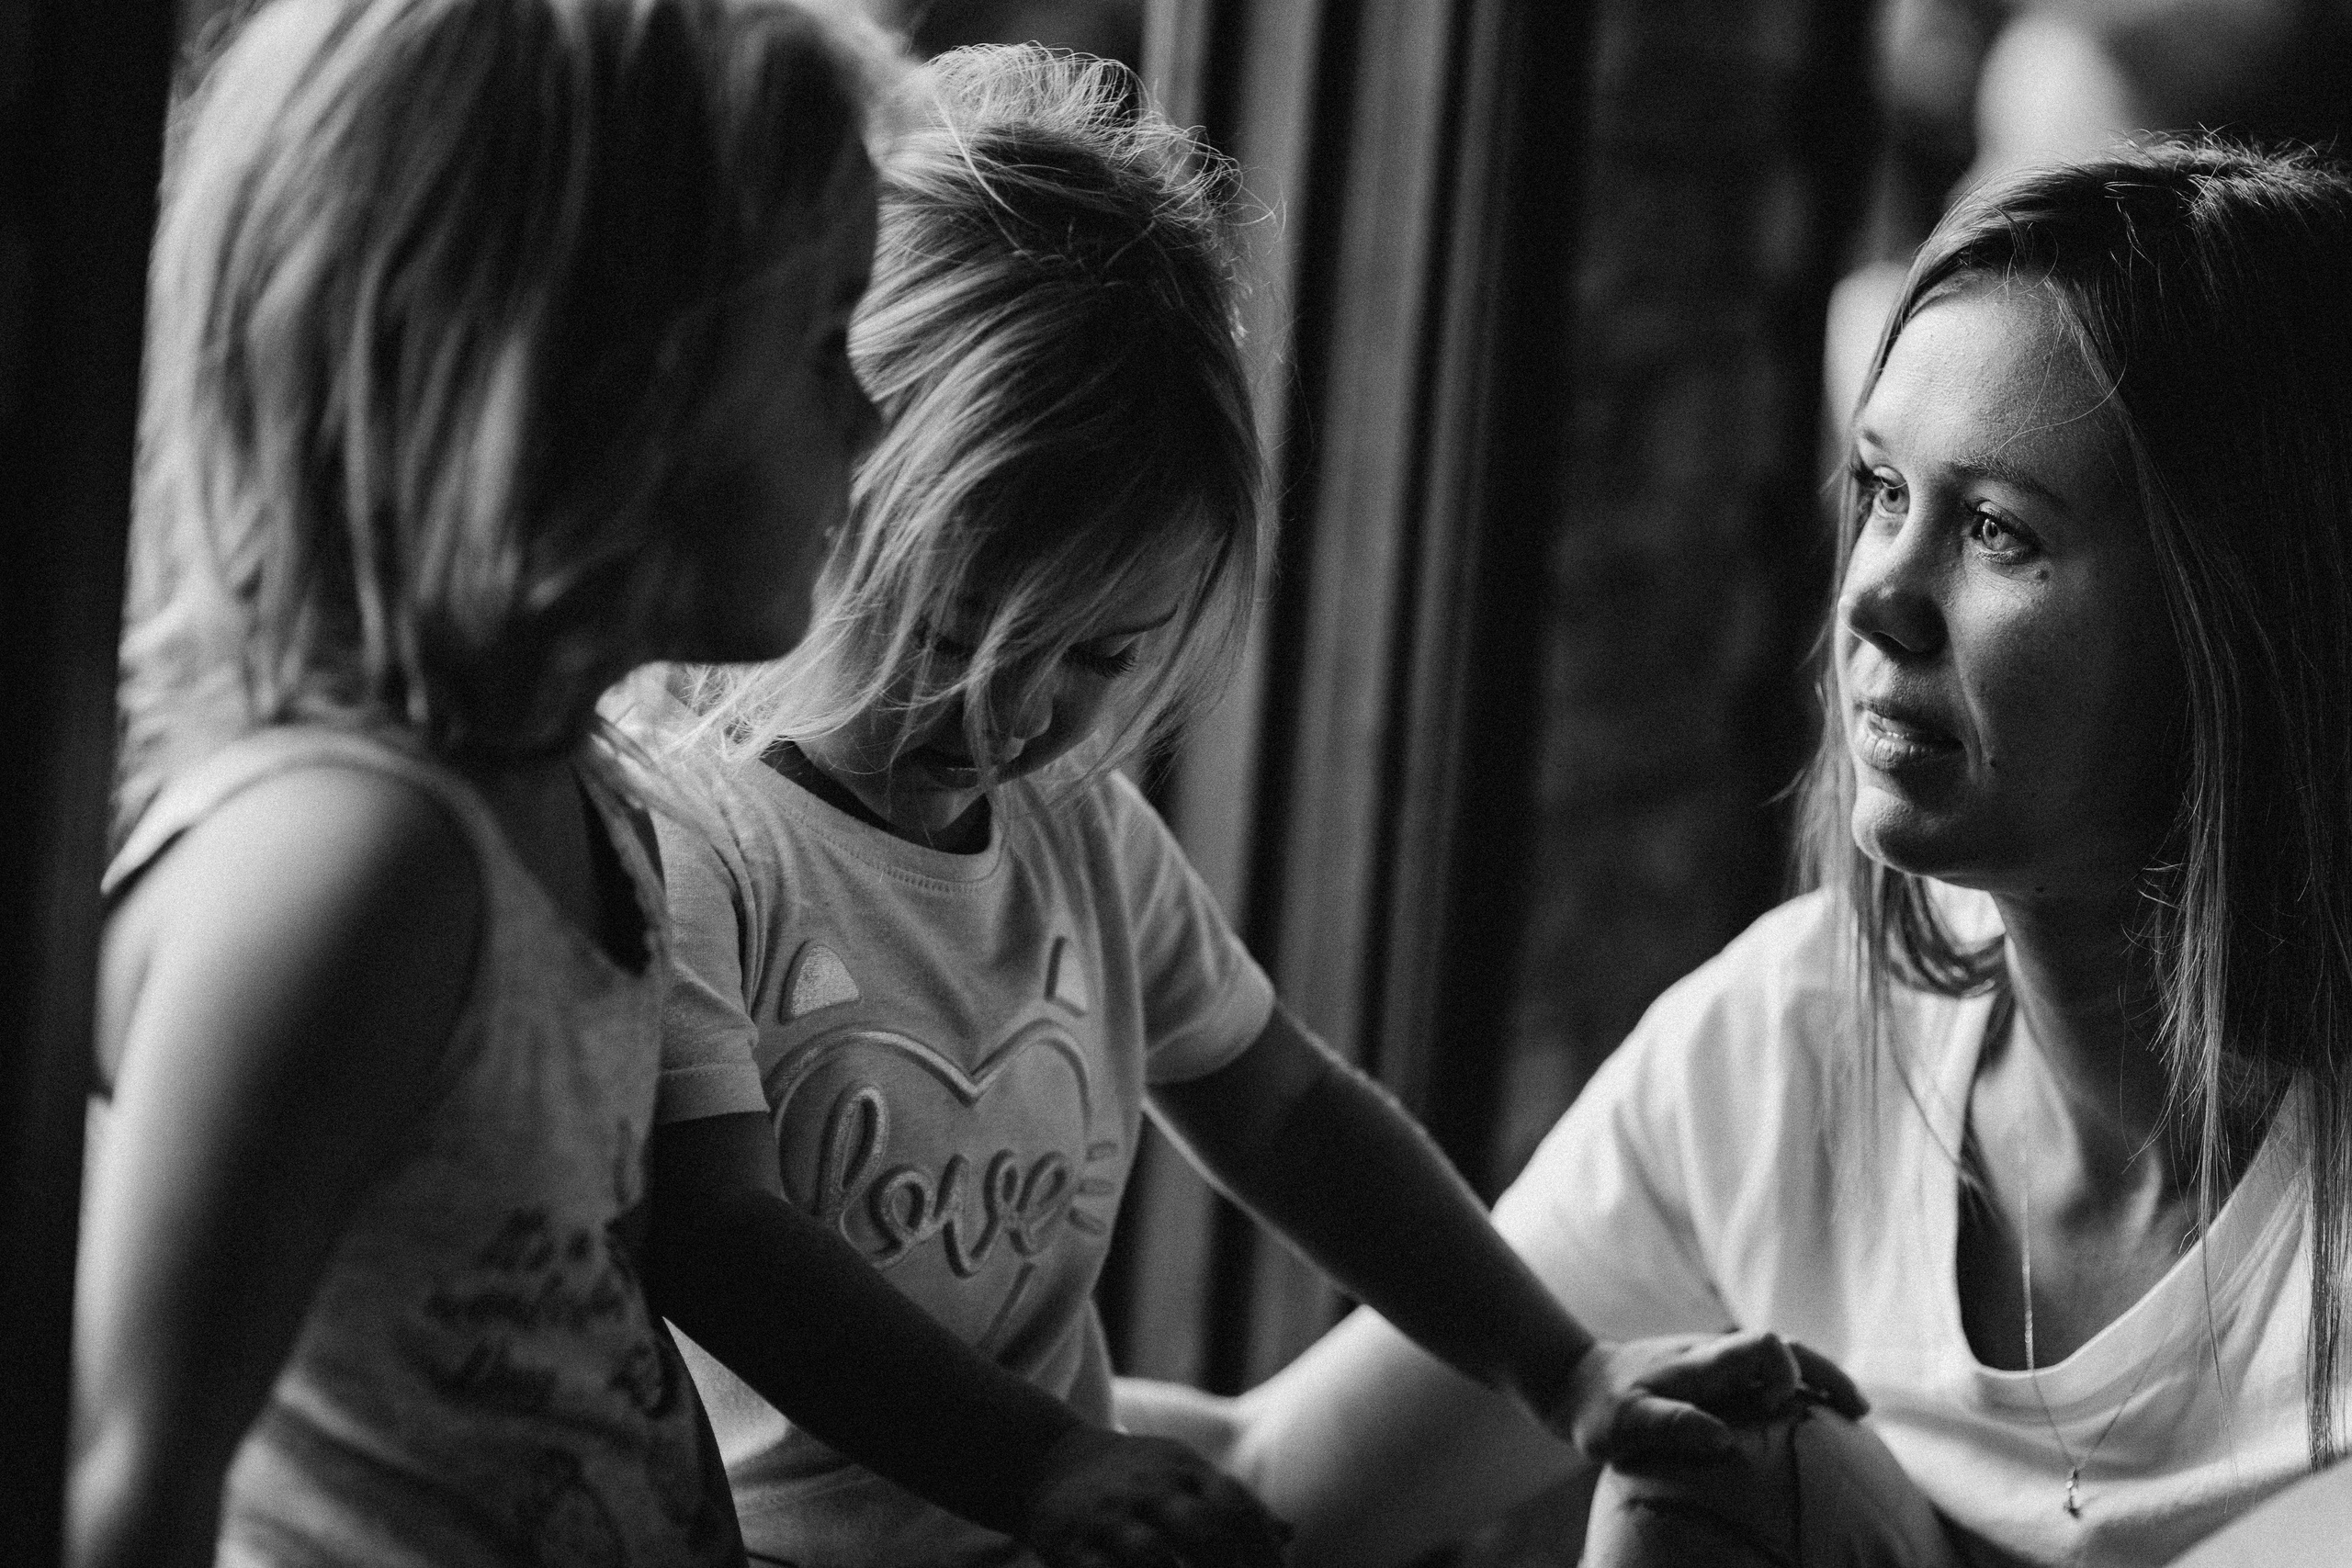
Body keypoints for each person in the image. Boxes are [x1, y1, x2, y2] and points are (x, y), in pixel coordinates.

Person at [637, 43, 1863, 1568]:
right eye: (955, 633)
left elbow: (1285, 1109)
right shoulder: (698, 845)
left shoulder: (1075, 835)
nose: (1017, 717)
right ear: (820, 488)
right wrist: (1052, 1468)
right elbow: (723, 1242)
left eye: (1099, 656)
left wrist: (1565, 1372)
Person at [1114, 138, 2352, 1568]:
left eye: (2001, 531)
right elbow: (1270, 1481)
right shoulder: (1791, 1049)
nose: (1878, 595)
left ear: (2250, 624)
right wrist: (871, 1387)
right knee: (1719, 1461)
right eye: (1884, 493)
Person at [69, 3, 888, 1565]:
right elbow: (125, 1488)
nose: (868, 409)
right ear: (584, 381)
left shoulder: (584, 807)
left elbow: (597, 1343)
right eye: (815, 337)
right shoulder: (347, 870)